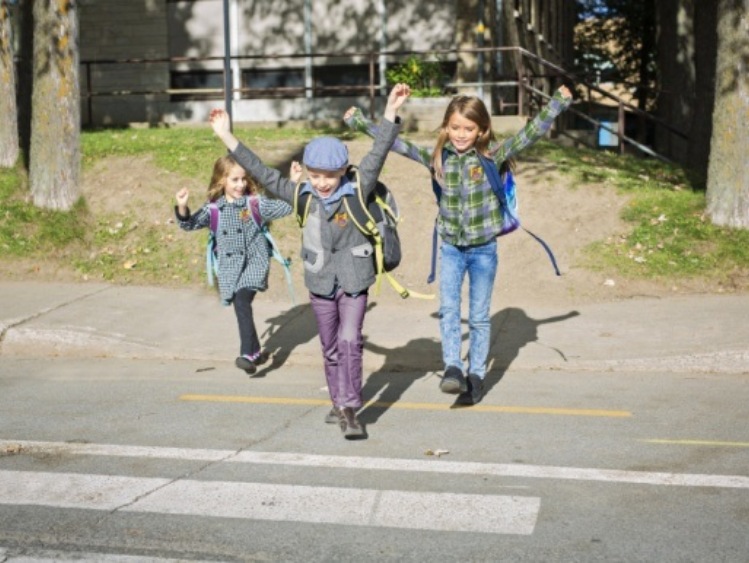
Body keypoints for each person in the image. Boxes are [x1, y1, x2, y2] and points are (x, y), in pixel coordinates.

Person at [345, 85, 573, 405]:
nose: (461, 134)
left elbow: (530, 134)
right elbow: (396, 144)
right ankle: (453, 368)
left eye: (469, 128)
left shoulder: (492, 156)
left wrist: (557, 103)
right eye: (455, 128)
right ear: (445, 127)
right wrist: (359, 123)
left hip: (483, 250)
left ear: (481, 130)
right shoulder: (437, 158)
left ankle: (476, 375)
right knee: (449, 311)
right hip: (451, 248)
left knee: (479, 317)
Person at [209, 83, 411, 440]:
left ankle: (350, 408)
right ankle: (337, 402)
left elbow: (379, 151)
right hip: (319, 279)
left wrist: (391, 111)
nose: (321, 183)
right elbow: (262, 171)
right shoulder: (302, 192)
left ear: (343, 171)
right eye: (315, 175)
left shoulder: (358, 186)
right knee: (330, 347)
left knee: (350, 341)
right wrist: (227, 135)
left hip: (355, 277)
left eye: (328, 176)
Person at [175, 155, 292, 375]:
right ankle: (255, 350)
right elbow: (189, 224)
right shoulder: (214, 210)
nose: (241, 185)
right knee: (240, 304)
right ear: (222, 181)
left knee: (241, 301)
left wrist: (292, 185)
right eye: (235, 180)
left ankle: (247, 354)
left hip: (254, 262)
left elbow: (285, 208)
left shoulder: (255, 203)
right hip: (229, 268)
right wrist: (182, 207)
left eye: (244, 179)